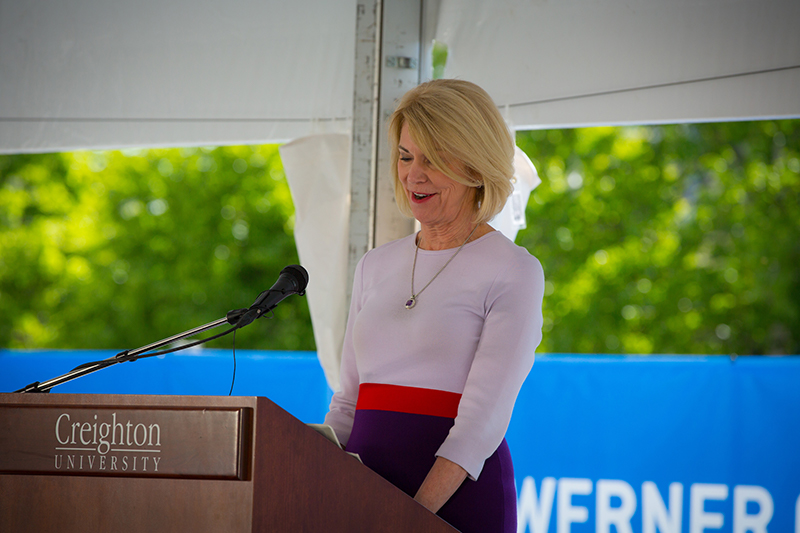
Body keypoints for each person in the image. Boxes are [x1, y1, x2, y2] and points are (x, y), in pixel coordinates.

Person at [324, 79, 545, 533]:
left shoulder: (514, 270)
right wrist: (322, 486)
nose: (413, 175)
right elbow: (347, 403)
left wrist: (409, 517)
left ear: (477, 162)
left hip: (456, 503)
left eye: (434, 159)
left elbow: (480, 426)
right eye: (406, 157)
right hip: (361, 499)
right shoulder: (374, 265)